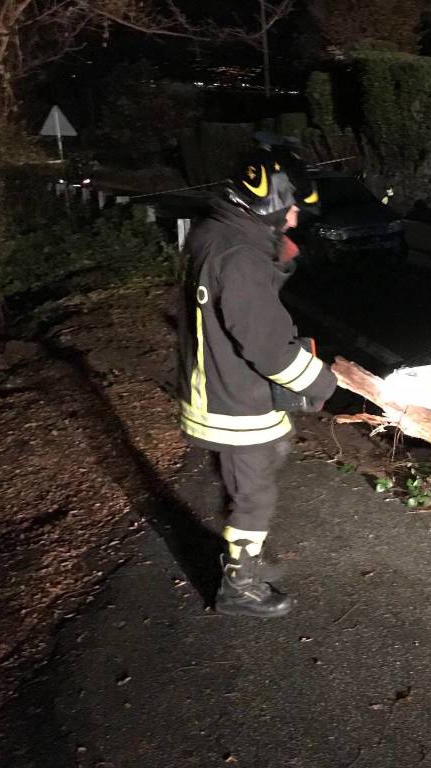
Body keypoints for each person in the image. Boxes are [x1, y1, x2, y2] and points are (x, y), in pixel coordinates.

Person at [176, 147, 336, 618]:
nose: (293, 220)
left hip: (223, 384)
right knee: (255, 493)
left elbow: (239, 304)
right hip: (233, 399)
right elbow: (266, 347)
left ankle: (241, 548)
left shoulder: (221, 233)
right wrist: (325, 384)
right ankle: (239, 585)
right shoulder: (240, 255)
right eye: (291, 209)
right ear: (271, 201)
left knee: (261, 467)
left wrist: (277, 261)